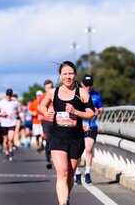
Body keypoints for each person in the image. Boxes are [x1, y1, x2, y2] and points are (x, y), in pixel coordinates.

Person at [40, 61, 95, 205]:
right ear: (60, 75)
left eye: (71, 73)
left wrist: (75, 112)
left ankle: (66, 198)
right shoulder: (53, 92)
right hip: (57, 137)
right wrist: (47, 112)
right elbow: (42, 105)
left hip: (76, 138)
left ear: (75, 74)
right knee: (62, 172)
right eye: (65, 74)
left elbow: (91, 114)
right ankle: (62, 203)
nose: (68, 77)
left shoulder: (81, 93)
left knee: (70, 176)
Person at [75, 74, 103, 185]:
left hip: (91, 125)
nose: (88, 87)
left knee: (89, 148)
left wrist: (98, 111)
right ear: (82, 84)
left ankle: (87, 173)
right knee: (76, 152)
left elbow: (101, 108)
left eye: (90, 85)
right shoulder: (77, 94)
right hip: (78, 126)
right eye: (86, 85)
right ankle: (77, 173)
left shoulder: (96, 95)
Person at [0, 88, 20, 161]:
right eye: (7, 95)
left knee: (10, 139)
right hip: (3, 124)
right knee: (5, 140)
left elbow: (19, 111)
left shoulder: (15, 103)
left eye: (10, 95)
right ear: (5, 95)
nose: (8, 97)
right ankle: (6, 152)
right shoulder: (1, 103)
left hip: (12, 123)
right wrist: (1, 114)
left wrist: (16, 112)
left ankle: (11, 150)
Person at [39, 79, 55, 169]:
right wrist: (46, 111)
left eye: (51, 87)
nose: (49, 89)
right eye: (47, 88)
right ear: (45, 88)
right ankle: (48, 160)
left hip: (55, 121)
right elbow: (40, 107)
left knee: (54, 139)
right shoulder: (42, 96)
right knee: (48, 138)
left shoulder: (56, 95)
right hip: (46, 120)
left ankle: (52, 155)